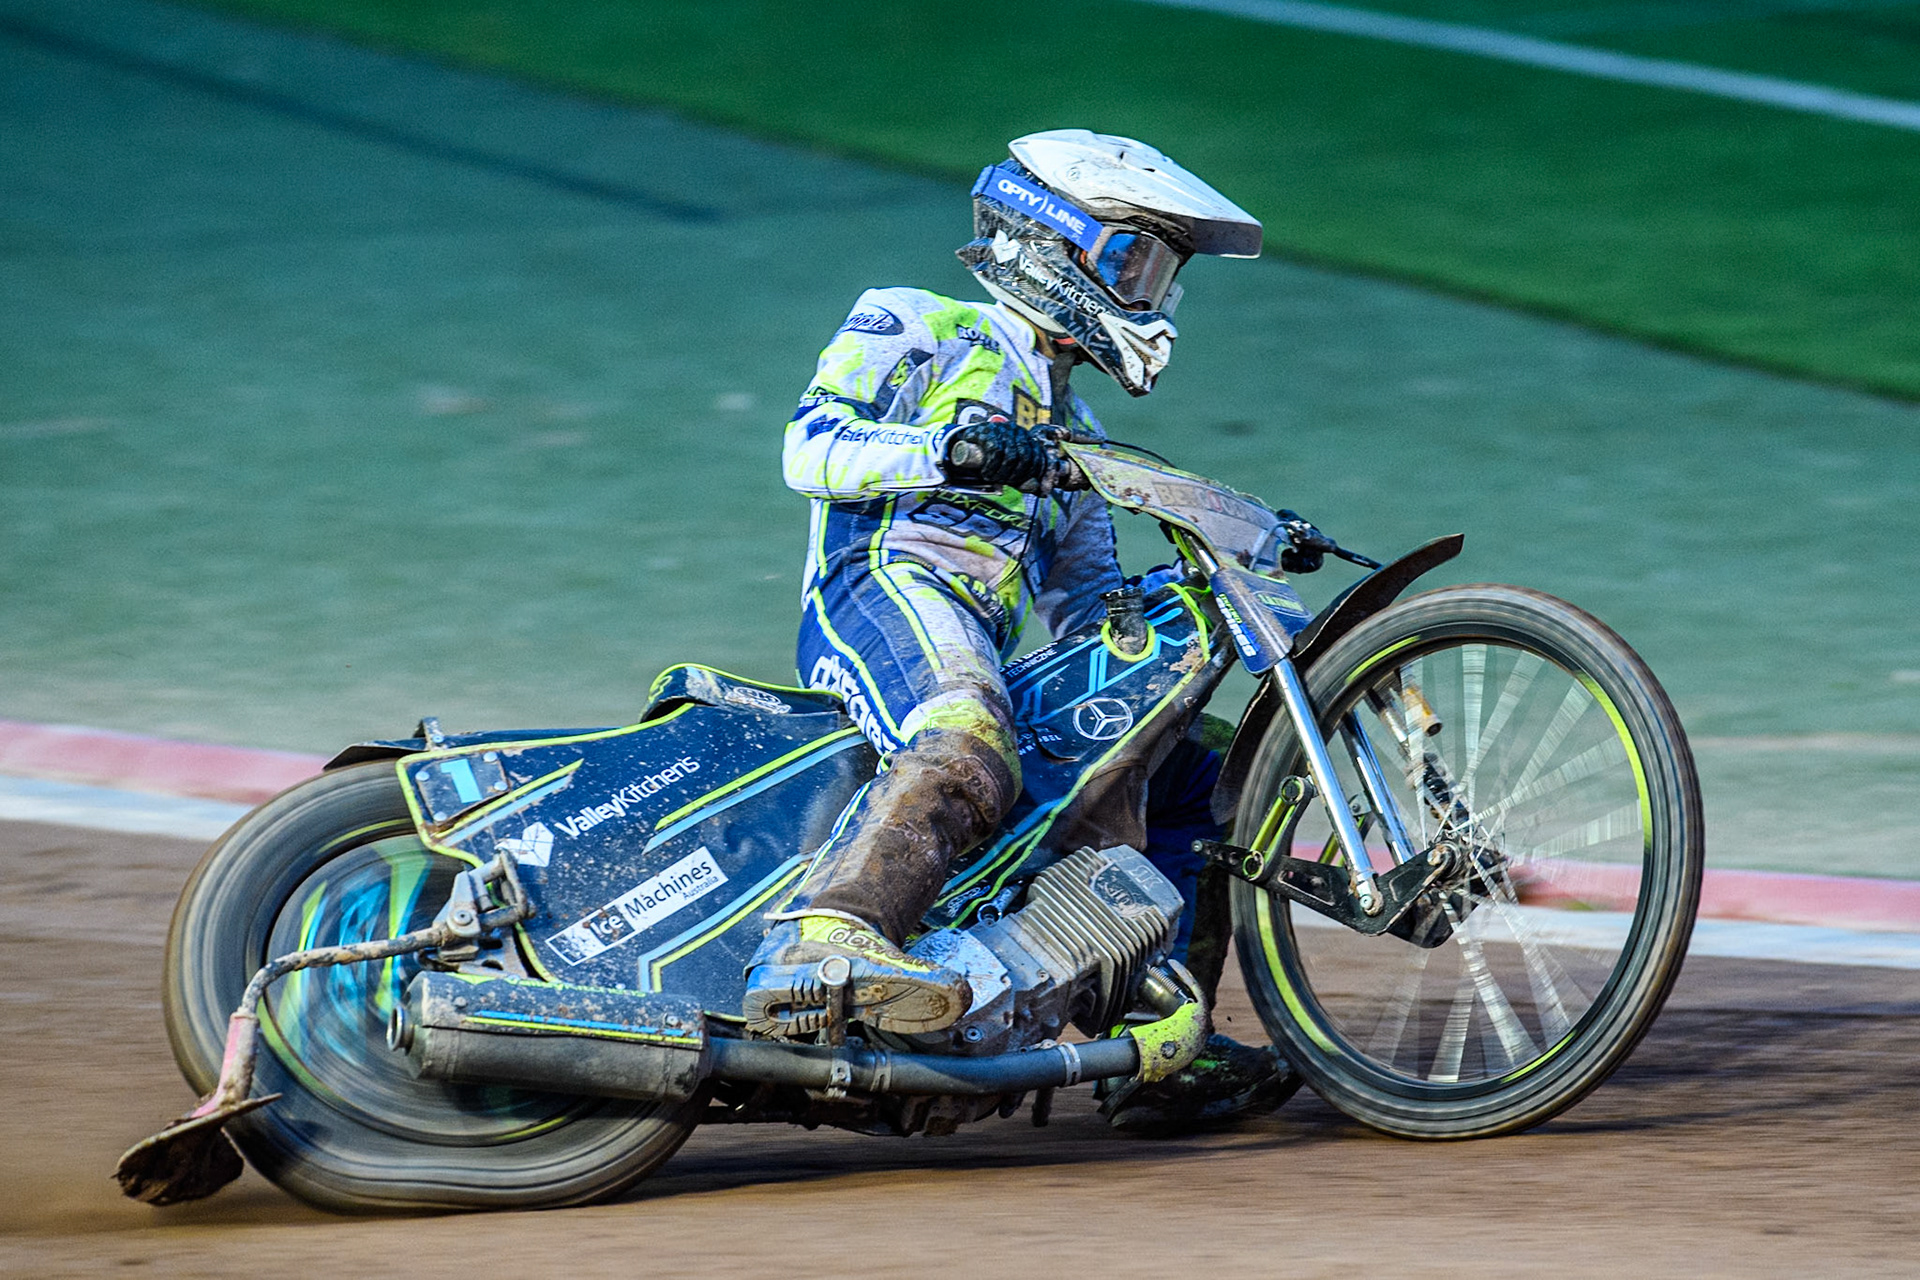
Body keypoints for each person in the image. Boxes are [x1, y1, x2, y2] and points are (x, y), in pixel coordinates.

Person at [744, 129, 1295, 1128]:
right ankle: (827, 938)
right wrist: (948, 446)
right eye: (1136, 261)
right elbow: (808, 447)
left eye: (1161, 273)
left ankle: (1154, 1038)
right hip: (880, 585)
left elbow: (1085, 601)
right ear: (1050, 242)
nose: (1154, 294)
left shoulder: (1070, 437)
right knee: (971, 734)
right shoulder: (918, 320)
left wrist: (1163, 635)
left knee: (1185, 768)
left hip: (979, 635)